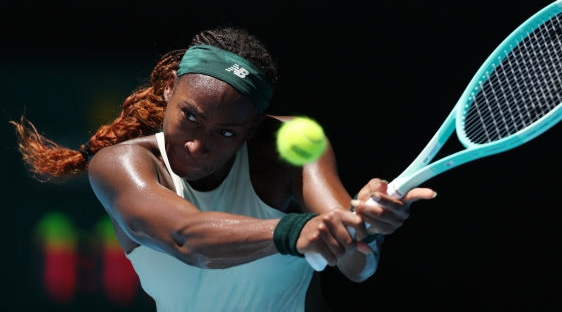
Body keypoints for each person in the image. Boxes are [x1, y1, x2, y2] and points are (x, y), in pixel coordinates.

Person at [13, 27, 436, 311]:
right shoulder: (121, 164)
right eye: (190, 117)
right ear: (169, 89)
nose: (198, 145)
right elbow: (188, 240)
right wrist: (294, 232)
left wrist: (365, 224)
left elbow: (357, 267)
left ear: (253, 129)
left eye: (227, 133)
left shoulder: (290, 148)